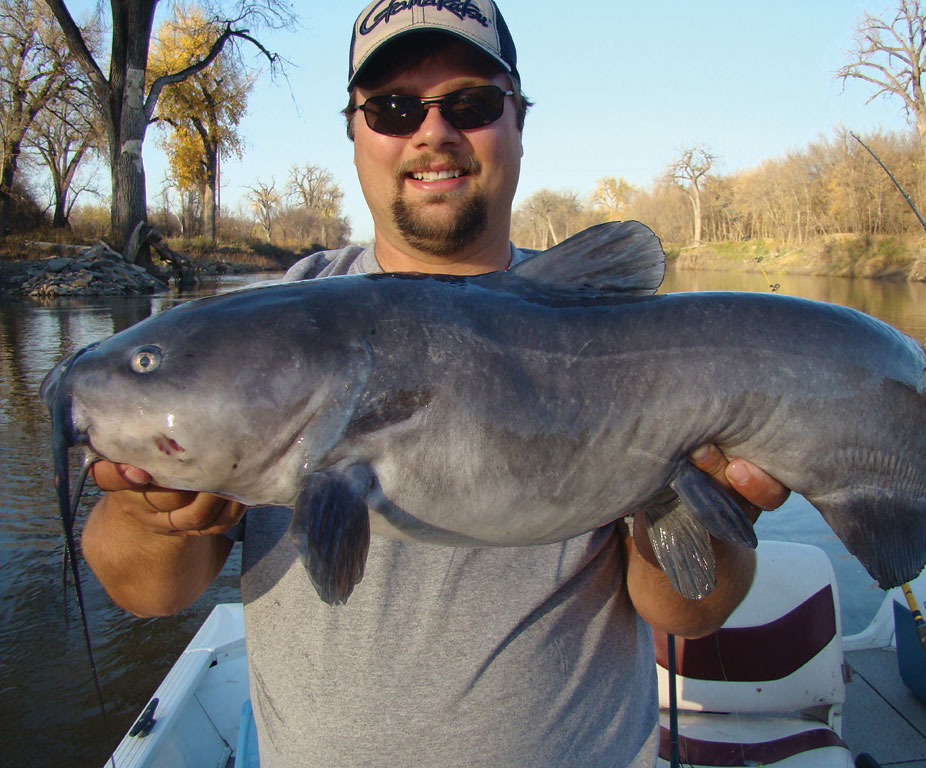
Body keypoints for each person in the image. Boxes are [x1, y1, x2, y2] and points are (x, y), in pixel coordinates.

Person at [82, 2, 789, 765]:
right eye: (391, 108)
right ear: (354, 133)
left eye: (472, 104)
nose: (433, 132)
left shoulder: (617, 332)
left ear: (519, 120)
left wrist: (710, 502)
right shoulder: (254, 337)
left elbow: (685, 612)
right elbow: (148, 593)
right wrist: (157, 513)